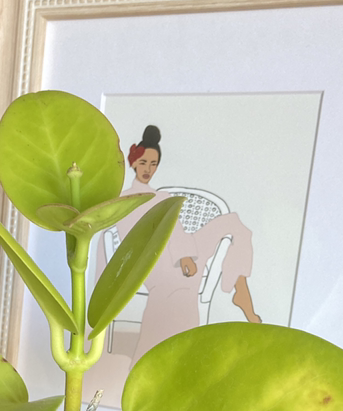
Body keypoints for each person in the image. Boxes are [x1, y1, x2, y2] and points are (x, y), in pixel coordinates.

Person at [106, 125, 260, 364]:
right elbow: (136, 238)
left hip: (184, 249)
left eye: (153, 164)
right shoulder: (125, 200)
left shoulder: (161, 196)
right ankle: (160, 355)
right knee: (179, 287)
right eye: (144, 162)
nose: (148, 169)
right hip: (155, 260)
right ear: (134, 162)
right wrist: (183, 256)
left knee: (234, 223)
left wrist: (185, 253)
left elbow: (174, 228)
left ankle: (240, 288)